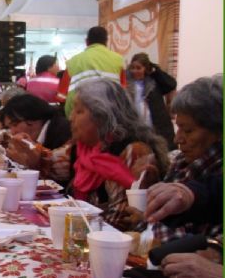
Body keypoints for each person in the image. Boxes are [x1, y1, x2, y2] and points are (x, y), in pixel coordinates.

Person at [29, 78, 169, 230]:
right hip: (83, 233)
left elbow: (121, 220)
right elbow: (49, 163)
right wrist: (28, 149)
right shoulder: (84, 148)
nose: (71, 118)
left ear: (102, 116)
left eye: (79, 111)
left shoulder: (132, 151)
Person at [148, 75, 222, 243]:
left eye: (188, 130)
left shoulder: (216, 172)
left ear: (218, 131)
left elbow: (205, 243)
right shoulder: (181, 163)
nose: (177, 139)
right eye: (178, 128)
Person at [57, 26, 126, 118]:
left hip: (79, 116)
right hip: (109, 117)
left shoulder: (73, 62)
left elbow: (62, 96)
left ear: (87, 41)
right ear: (106, 41)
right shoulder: (118, 60)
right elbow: (123, 91)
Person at [125, 52, 178, 150]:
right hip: (136, 130)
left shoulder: (154, 82)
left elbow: (171, 84)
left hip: (157, 128)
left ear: (145, 68)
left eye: (138, 68)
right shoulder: (126, 83)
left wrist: (155, 70)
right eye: (133, 67)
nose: (135, 71)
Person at [3, 94, 72, 162]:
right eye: (9, 127)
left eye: (15, 124)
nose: (12, 132)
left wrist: (31, 154)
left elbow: (58, 165)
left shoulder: (62, 131)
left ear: (32, 117)